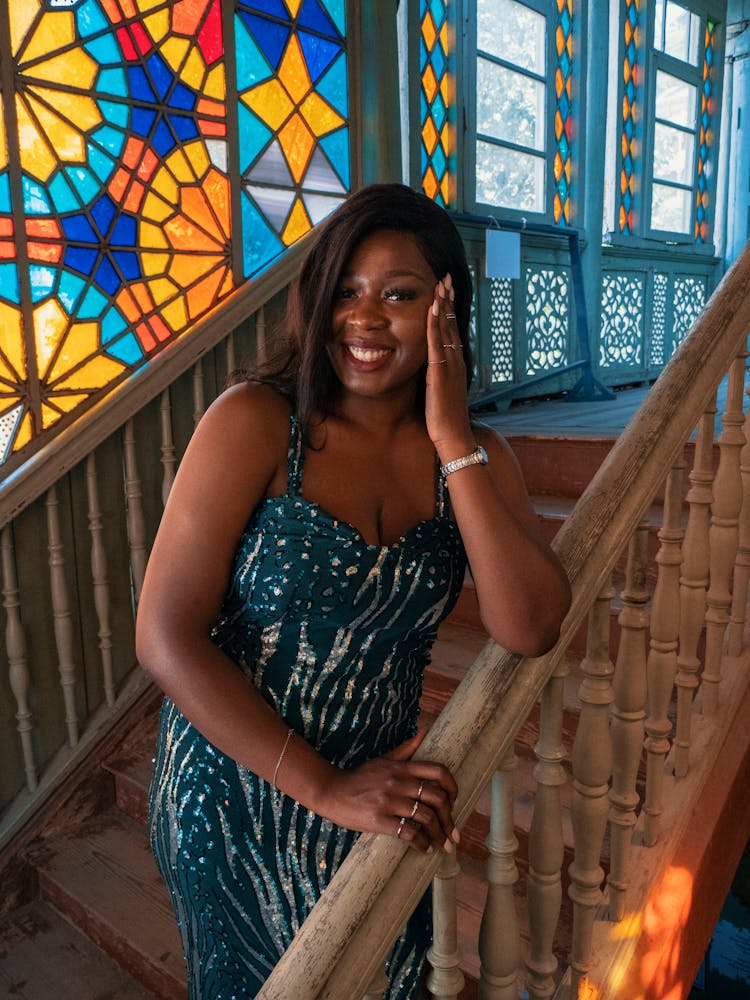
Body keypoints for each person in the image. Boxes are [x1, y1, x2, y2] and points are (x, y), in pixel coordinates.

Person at [136, 182, 571, 999]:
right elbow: (164, 636)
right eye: (345, 291)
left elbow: (533, 625)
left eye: (399, 295)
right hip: (236, 791)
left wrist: (450, 439)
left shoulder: (473, 454)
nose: (365, 319)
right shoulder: (257, 424)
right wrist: (325, 787)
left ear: (446, 310)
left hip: (380, 788)